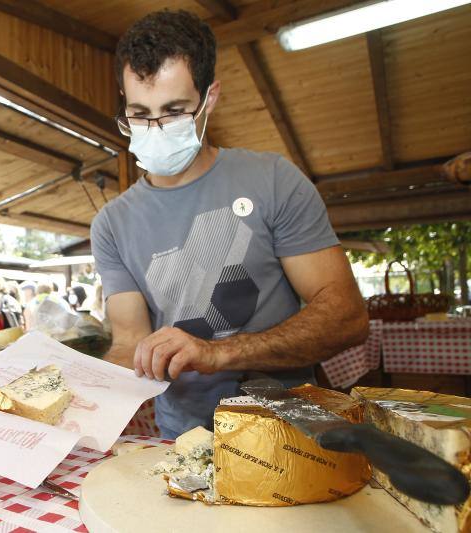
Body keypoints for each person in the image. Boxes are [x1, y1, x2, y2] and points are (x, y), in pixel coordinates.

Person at [91, 11, 368, 438]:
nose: (156, 129)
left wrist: (219, 353)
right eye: (140, 114)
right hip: (182, 439)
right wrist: (69, 380)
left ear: (210, 98)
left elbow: (346, 318)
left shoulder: (272, 180)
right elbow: (130, 343)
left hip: (288, 433)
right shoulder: (112, 224)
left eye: (175, 110)